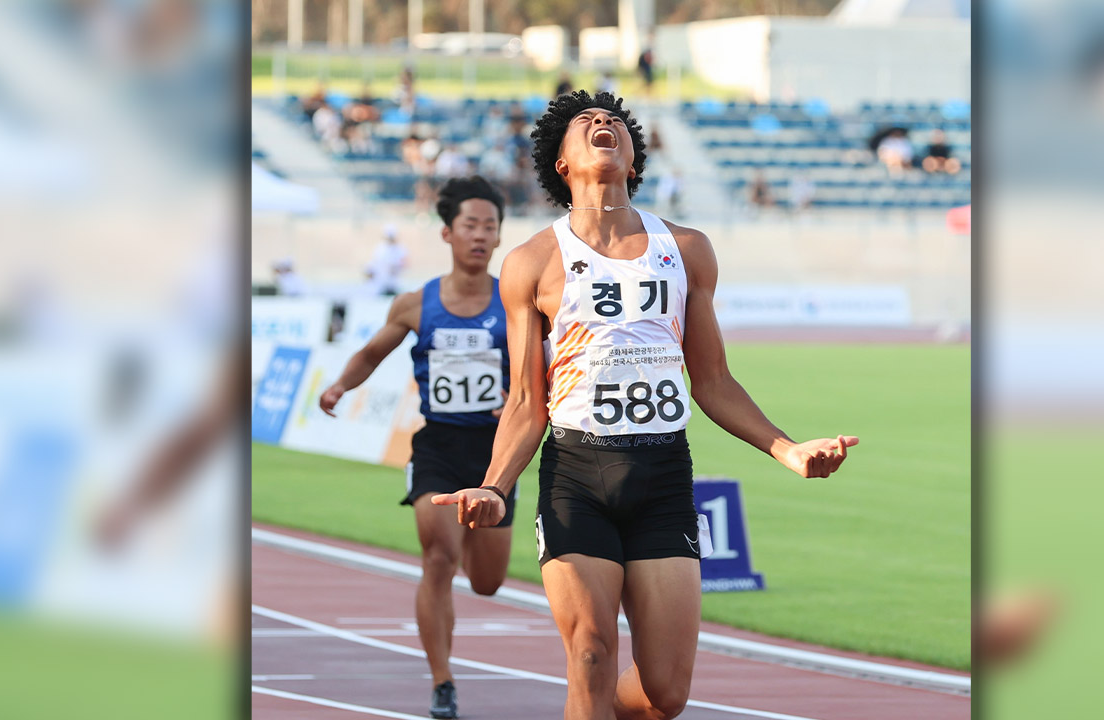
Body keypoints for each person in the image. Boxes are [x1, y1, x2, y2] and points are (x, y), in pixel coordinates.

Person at [432, 91, 858, 720]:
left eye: (615, 122)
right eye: (586, 123)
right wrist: (496, 486)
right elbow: (527, 400)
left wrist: (787, 448)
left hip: (662, 476)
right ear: (561, 163)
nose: (603, 124)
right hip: (577, 474)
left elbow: (712, 382)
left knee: (666, 694)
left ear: (634, 160)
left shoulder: (686, 249)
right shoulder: (531, 263)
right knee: (590, 654)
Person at [319, 176, 513, 720]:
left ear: (499, 237)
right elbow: (369, 353)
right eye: (470, 226)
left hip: (499, 453)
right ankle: (442, 681)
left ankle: (476, 531)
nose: (479, 235)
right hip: (438, 446)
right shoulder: (414, 305)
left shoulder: (517, 301)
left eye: (489, 227)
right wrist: (340, 386)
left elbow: (543, 365)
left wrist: (518, 396)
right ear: (448, 234)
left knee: (487, 582)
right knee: (437, 558)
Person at [370, 224, 409, 296]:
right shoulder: (380, 248)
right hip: (381, 284)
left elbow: (405, 263)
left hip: (395, 283)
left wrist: (396, 267)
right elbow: (374, 264)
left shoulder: (400, 249)